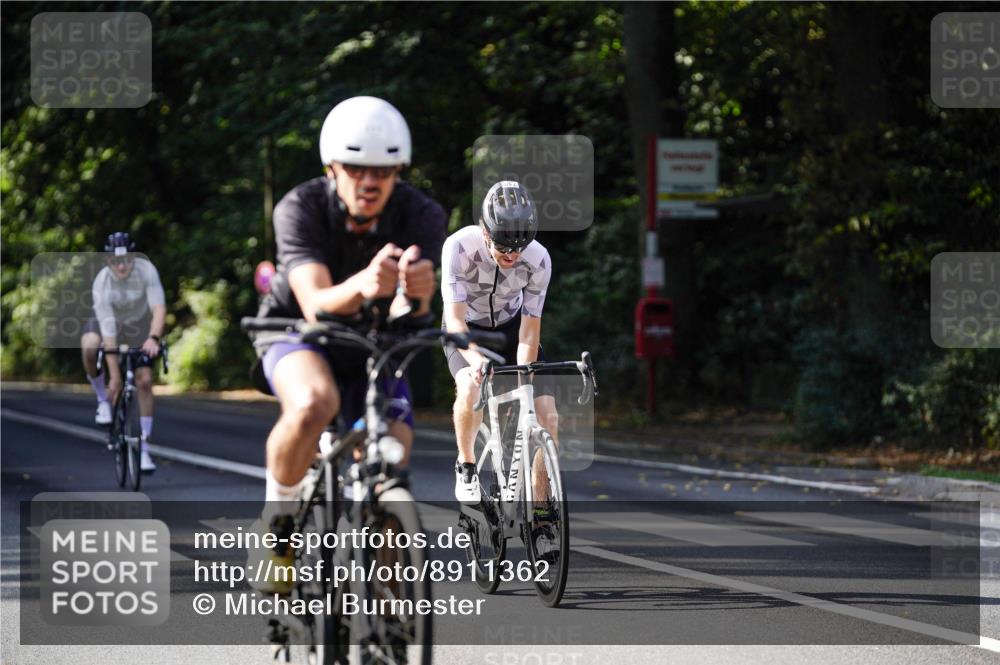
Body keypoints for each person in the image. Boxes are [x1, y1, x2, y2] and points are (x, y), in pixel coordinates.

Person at [248, 96, 445, 593]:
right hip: (298, 333)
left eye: (383, 169)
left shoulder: (422, 213)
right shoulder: (301, 207)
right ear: (332, 167)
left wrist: (419, 298)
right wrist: (364, 284)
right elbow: (314, 302)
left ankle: (391, 610)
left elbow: (413, 314)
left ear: (399, 170)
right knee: (316, 401)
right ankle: (278, 527)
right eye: (355, 168)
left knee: (393, 450)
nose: (370, 181)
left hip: (376, 343)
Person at [440, 180, 559, 503]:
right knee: (469, 386)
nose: (512, 255)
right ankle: (466, 464)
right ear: (485, 231)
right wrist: (476, 360)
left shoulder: (539, 259)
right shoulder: (460, 247)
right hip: (467, 328)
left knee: (547, 416)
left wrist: (525, 379)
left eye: (519, 248)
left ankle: (543, 506)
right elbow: (454, 320)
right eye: (504, 247)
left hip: (511, 328)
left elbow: (530, 330)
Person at [81, 231, 166, 473]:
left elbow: (159, 309)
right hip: (110, 324)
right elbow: (108, 332)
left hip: (138, 324)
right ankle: (102, 400)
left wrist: (153, 338)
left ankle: (145, 449)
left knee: (145, 380)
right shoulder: (102, 282)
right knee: (89, 345)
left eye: (126, 260)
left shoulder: (146, 271)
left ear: (134, 258)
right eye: (115, 261)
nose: (121, 266)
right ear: (108, 261)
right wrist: (115, 377)